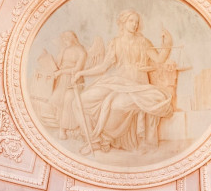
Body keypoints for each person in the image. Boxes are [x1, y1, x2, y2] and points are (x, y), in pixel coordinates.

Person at [64, 10, 177, 154]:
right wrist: (81, 72)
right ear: (123, 22)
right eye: (131, 21)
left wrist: (167, 44)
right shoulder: (115, 43)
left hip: (136, 86)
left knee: (115, 106)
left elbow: (159, 59)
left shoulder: (143, 42)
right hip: (116, 82)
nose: (135, 24)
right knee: (79, 102)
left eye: (137, 22)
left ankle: (105, 138)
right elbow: (103, 67)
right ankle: (93, 141)